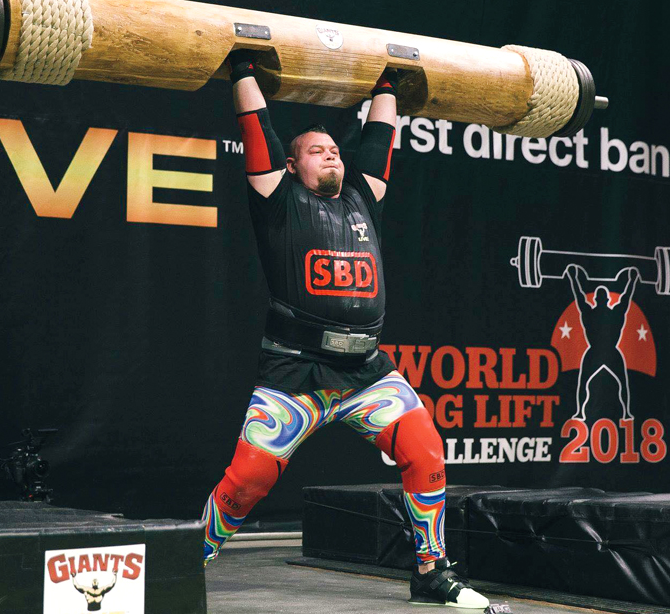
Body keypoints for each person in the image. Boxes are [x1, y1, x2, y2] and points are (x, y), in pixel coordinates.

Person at [199, 49, 489, 609]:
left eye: (335, 150)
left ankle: (431, 572)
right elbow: (257, 130)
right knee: (248, 480)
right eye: (316, 151)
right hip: (296, 370)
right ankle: (185, 561)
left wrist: (388, 84)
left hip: (366, 373)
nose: (331, 156)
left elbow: (378, 141)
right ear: (291, 166)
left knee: (426, 451)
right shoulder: (277, 201)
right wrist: (243, 72)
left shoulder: (361, 198)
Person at [565, 265, 640, 422]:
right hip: (601, 351)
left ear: (597, 299)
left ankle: (626, 412)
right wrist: (632, 280)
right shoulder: (614, 312)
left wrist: (573, 278)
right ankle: (580, 412)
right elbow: (626, 297)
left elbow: (579, 296)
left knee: (620, 384)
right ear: (607, 299)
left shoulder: (590, 312)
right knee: (586, 383)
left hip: (605, 351)